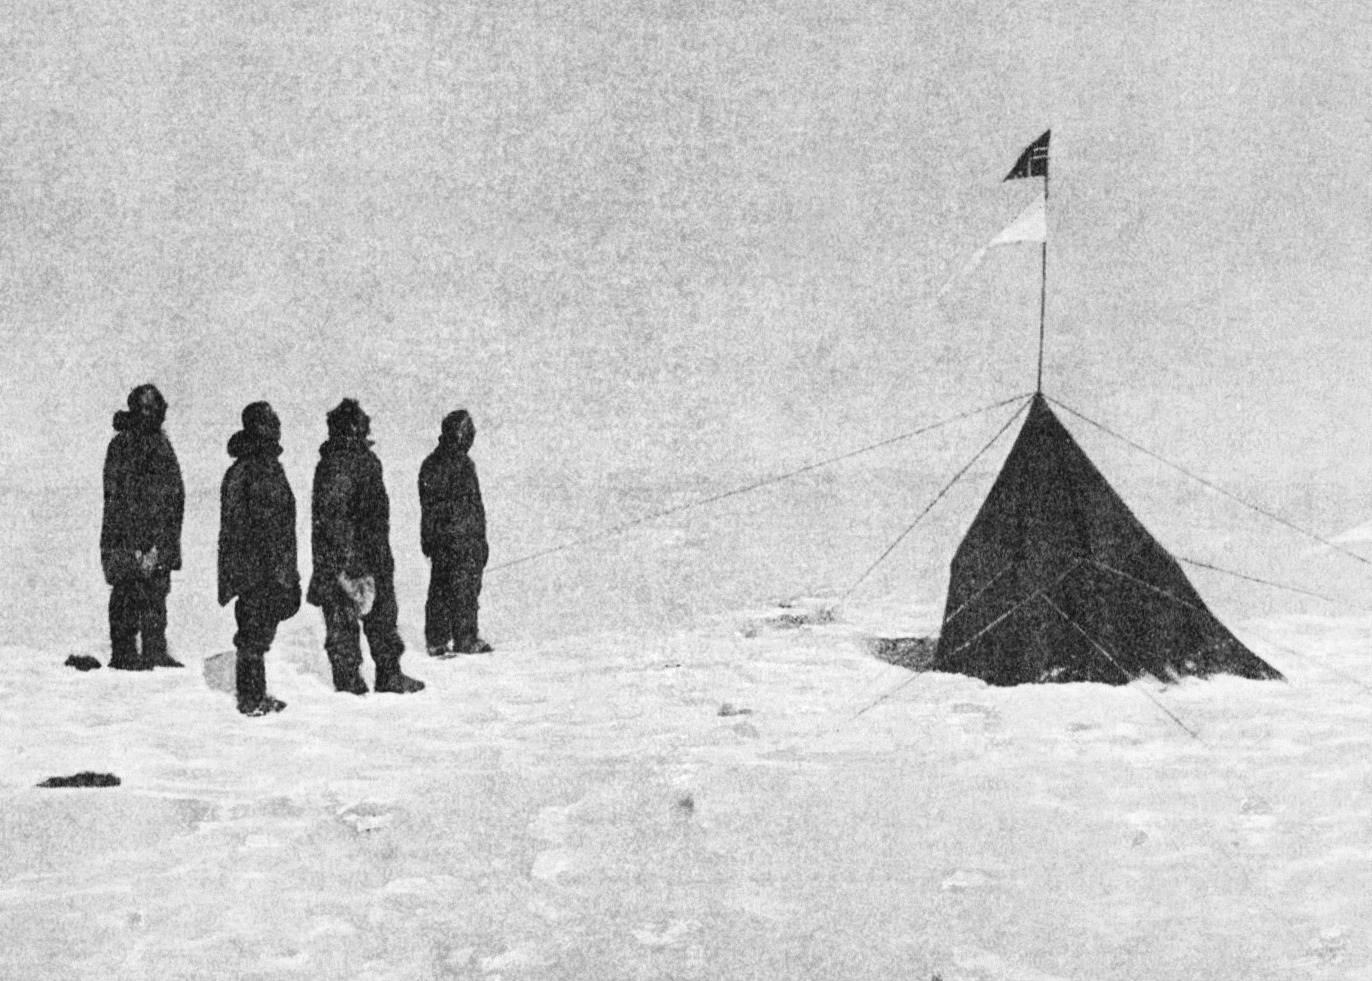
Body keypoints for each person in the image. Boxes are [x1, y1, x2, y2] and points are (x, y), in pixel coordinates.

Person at [306, 398, 424, 695]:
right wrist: (351, 568)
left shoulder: (363, 461)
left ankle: (389, 675)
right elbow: (335, 520)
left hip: (373, 557)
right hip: (344, 562)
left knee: (383, 617)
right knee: (342, 626)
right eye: (362, 422)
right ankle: (348, 685)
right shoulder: (338, 464)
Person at [218, 402, 300, 716]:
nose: (277, 426)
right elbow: (246, 526)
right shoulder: (251, 469)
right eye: (270, 422)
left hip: (265, 568)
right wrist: (265, 571)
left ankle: (254, 694)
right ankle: (251, 698)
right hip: (257, 569)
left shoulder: (262, 466)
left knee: (258, 631)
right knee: (253, 633)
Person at [101, 384, 185, 671]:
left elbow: (172, 496)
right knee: (127, 593)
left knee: (156, 596)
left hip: (159, 540)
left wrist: (162, 545)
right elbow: (121, 500)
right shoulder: (123, 445)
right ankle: (124, 655)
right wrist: (138, 547)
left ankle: (154, 651)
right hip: (129, 541)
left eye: (154, 408)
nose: (151, 414)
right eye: (144, 408)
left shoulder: (161, 443)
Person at [419, 410, 492, 657]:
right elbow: (469, 508)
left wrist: (430, 540)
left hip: (445, 539)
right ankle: (465, 638)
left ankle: (438, 639)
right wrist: (475, 541)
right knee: (464, 588)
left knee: (442, 586)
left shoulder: (431, 463)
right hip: (461, 540)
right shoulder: (461, 464)